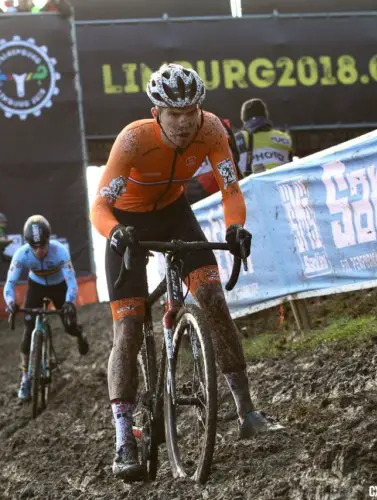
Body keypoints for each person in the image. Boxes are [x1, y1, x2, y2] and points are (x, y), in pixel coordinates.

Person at [89, 63, 281, 481]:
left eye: (189, 111)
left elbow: (231, 189)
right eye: (173, 114)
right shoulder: (134, 140)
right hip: (127, 223)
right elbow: (100, 207)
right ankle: (124, 439)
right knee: (129, 328)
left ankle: (247, 411)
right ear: (156, 112)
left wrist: (235, 228)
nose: (182, 122)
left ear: (200, 109)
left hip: (175, 215)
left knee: (213, 299)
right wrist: (115, 233)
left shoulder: (212, 132)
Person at [4, 215, 88, 402]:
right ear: (28, 244)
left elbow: (72, 282)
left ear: (49, 240)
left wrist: (68, 302)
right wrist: (10, 302)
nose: (39, 250)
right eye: (34, 246)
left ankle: (80, 334)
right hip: (37, 286)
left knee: (69, 326)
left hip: (59, 287)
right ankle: (25, 377)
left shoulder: (60, 252)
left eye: (43, 245)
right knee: (27, 331)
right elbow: (9, 284)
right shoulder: (22, 254)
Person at [234, 98, 293, 177]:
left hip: (252, 185)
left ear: (244, 118)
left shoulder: (240, 138)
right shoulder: (284, 137)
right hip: (281, 184)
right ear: (265, 115)